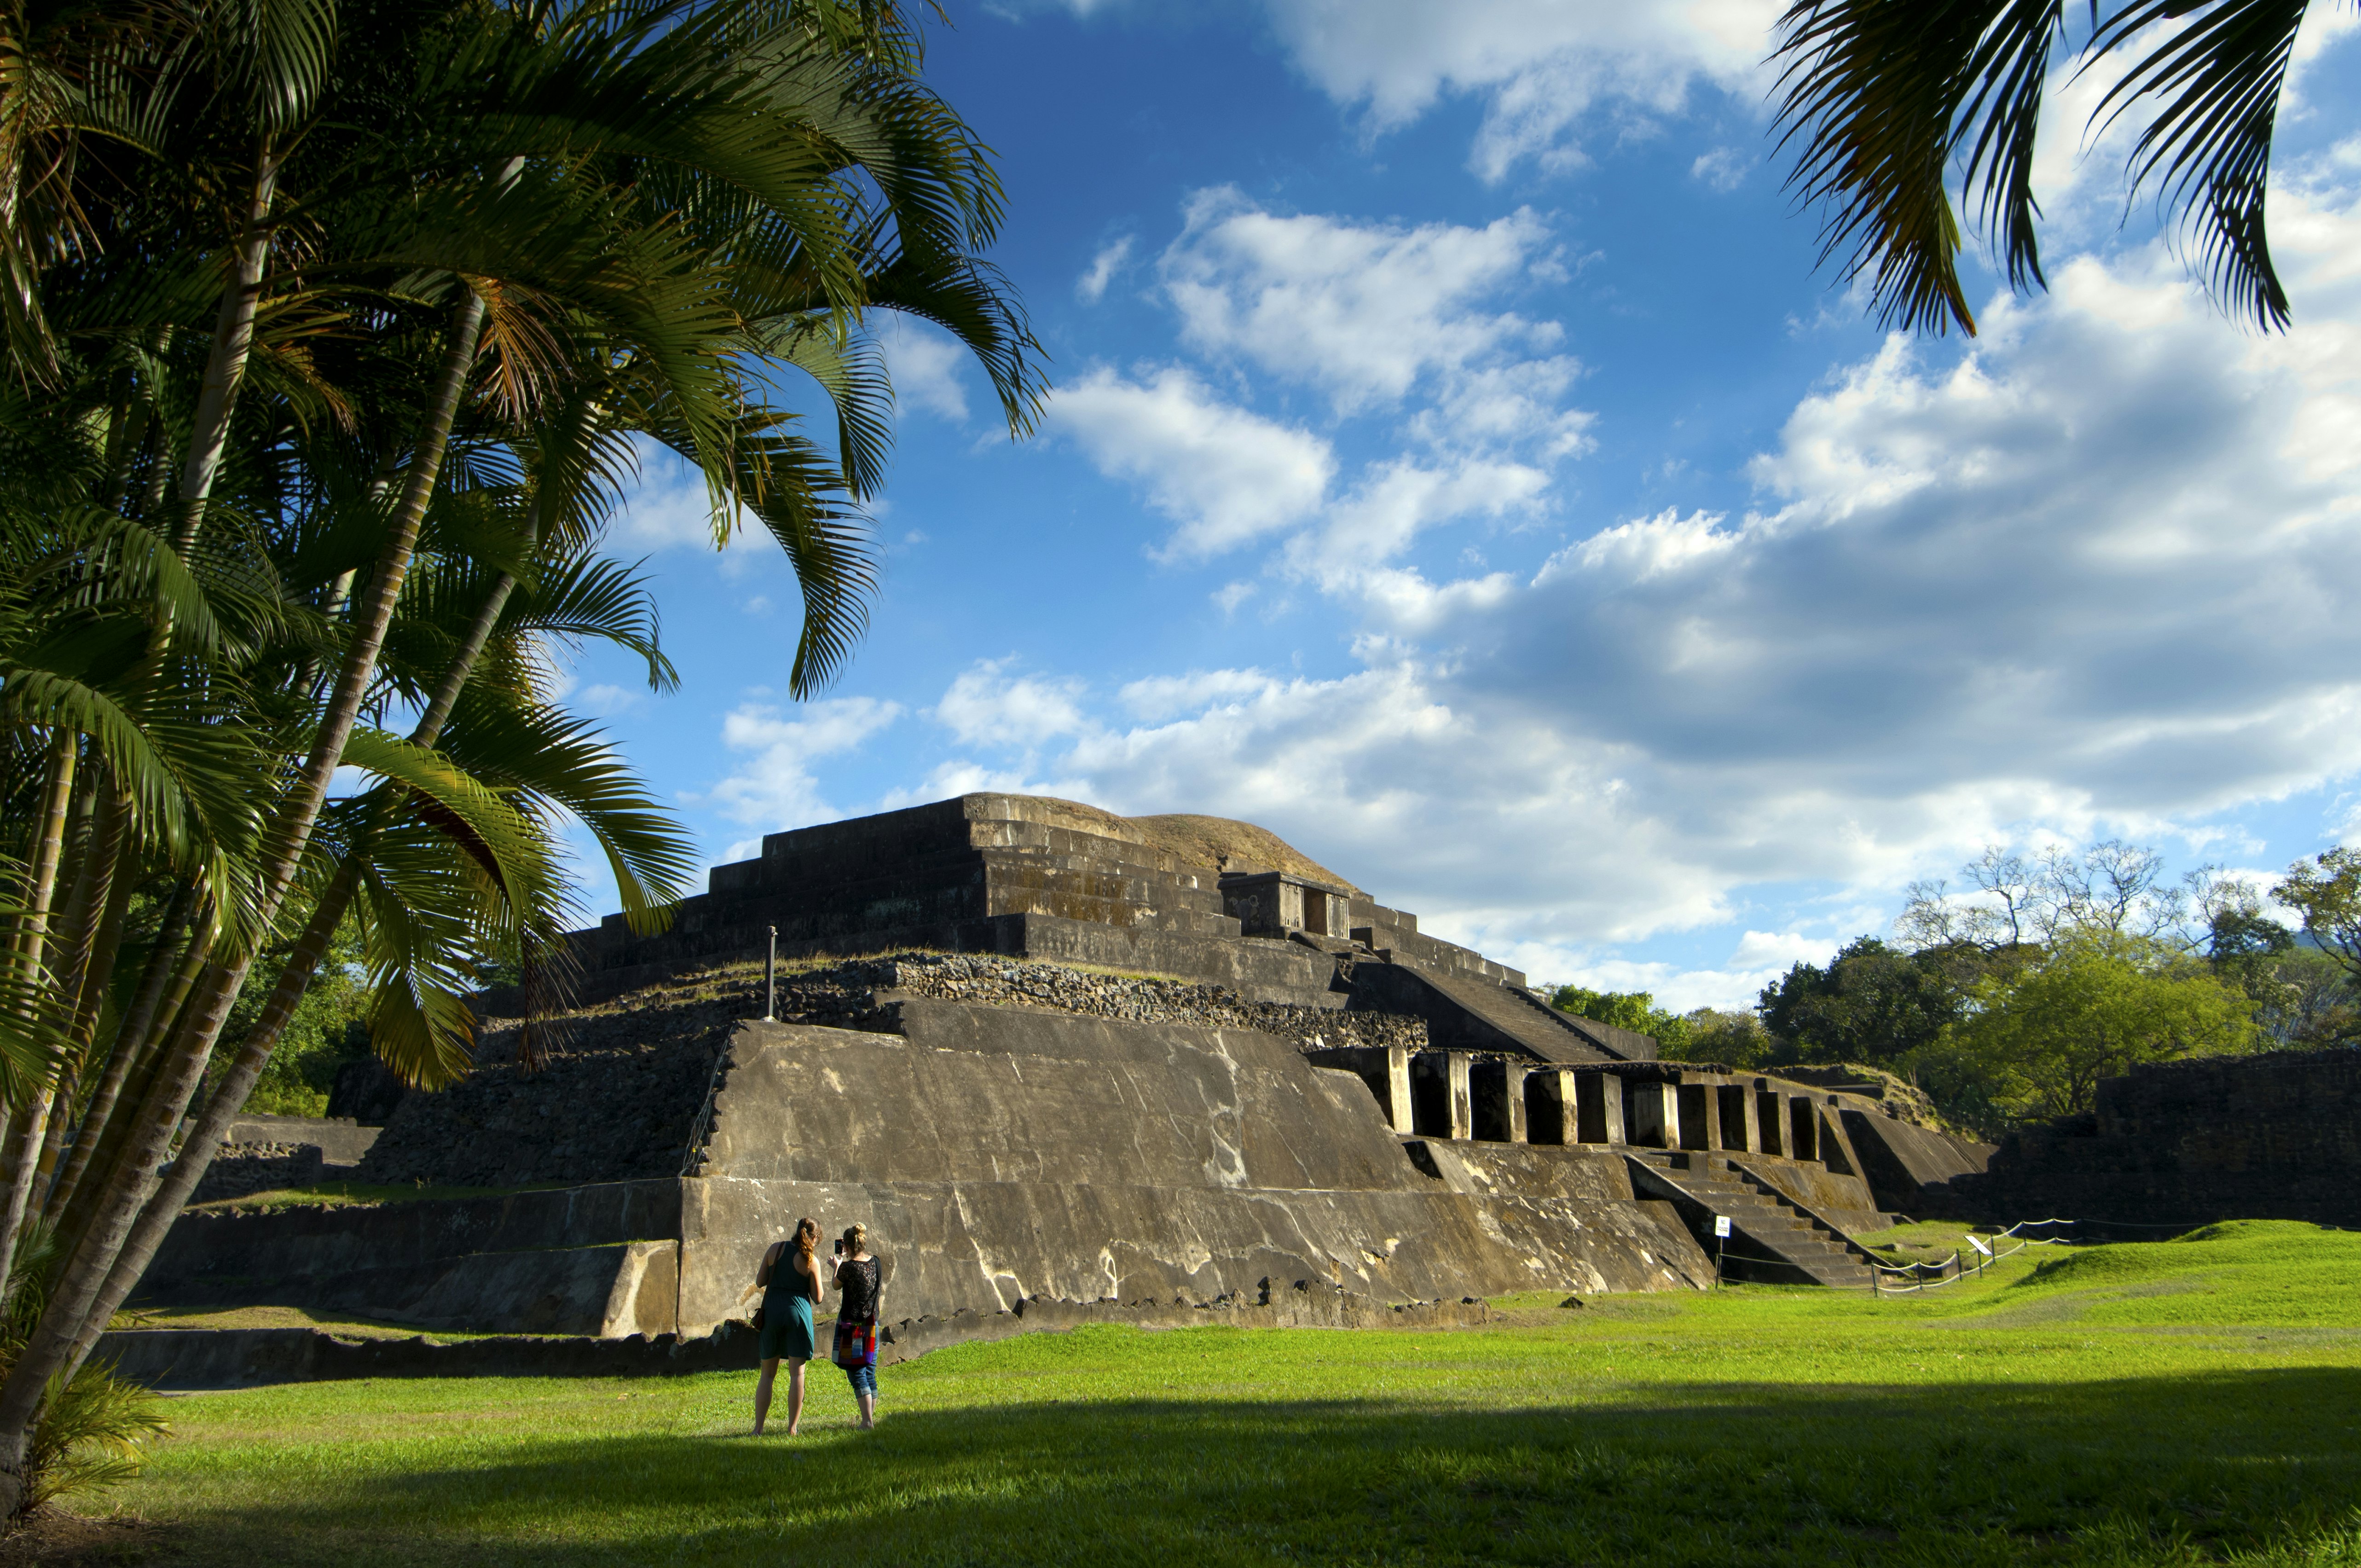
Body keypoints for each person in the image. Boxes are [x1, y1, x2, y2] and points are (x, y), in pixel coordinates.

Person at [752, 1217, 822, 1435]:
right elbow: (818, 1298)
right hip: (798, 1314)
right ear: (816, 1238)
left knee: (767, 1375)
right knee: (797, 1375)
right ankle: (792, 1428)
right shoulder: (811, 1260)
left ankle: (758, 1428)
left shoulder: (776, 1249)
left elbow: (760, 1281)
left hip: (773, 1312)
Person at [832, 1223, 883, 1429]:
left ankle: (867, 1422)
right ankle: (869, 1419)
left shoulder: (848, 1268)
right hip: (873, 1324)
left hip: (852, 1327)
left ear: (847, 1247)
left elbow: (836, 1285)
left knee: (856, 1372)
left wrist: (837, 1265)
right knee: (869, 1371)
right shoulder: (876, 1263)